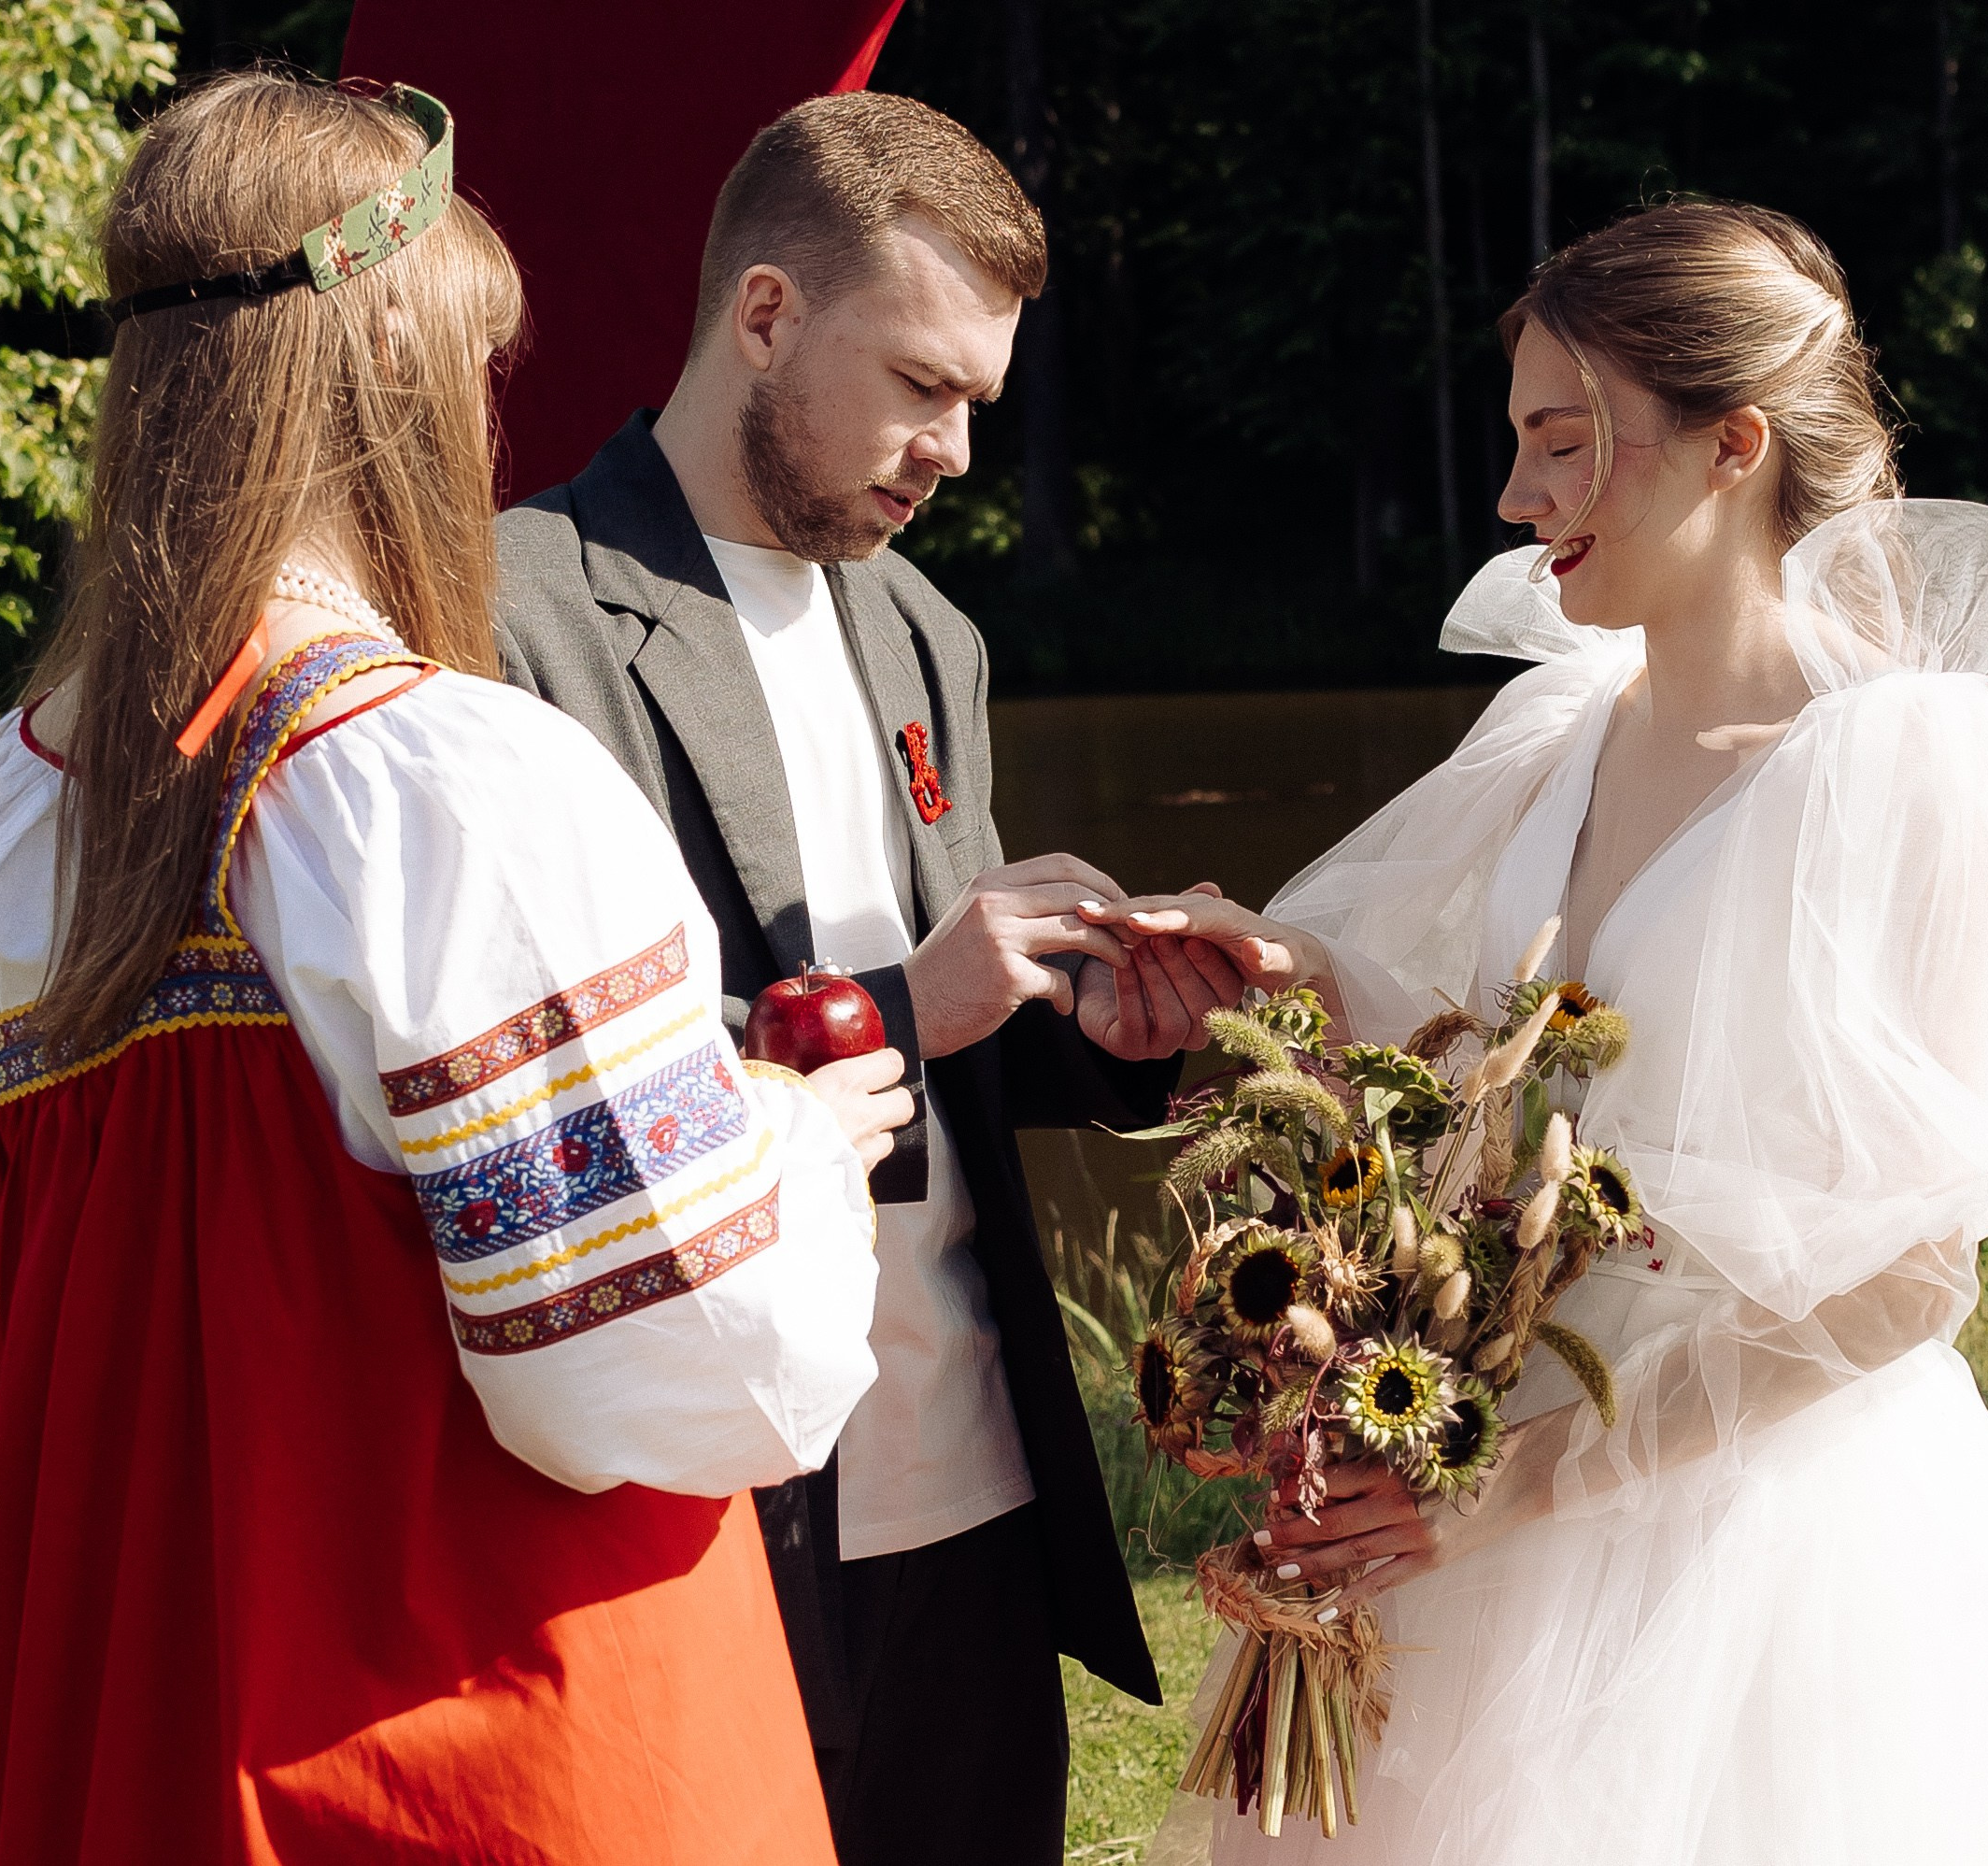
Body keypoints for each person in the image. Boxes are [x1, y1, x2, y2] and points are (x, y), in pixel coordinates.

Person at [1086, 202, 1988, 1862]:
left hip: (1768, 1548)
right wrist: (1266, 972)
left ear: (1733, 444)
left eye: (1561, 444)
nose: (1517, 500)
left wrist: (1518, 1482)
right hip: (1466, 1475)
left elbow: (1912, 1274)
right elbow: (1450, 1049)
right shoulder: (1558, 724)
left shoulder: (1921, 767)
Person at [0, 72, 910, 1865]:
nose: (479, 410)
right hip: (470, 1757)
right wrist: (800, 1159)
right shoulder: (439, 781)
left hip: (123, 1734)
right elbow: (668, 1358)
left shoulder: (26, 801)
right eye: (470, 360)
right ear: (390, 355)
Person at [493, 91, 1241, 1866]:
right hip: (705, 1516)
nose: (958, 450)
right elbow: (526, 1100)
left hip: (970, 1483)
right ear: (764, 315)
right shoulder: (513, 607)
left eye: (977, 399)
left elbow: (958, 1039)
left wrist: (1116, 1035)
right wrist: (911, 1003)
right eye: (921, 384)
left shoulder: (926, 629)